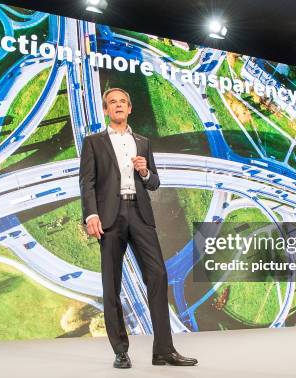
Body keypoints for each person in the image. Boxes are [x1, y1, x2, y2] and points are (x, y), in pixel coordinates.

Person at [79, 88, 198, 369]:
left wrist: (144, 171)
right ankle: (120, 351)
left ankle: (164, 351)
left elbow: (154, 182)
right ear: (107, 111)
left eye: (122, 102)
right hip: (109, 217)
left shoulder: (143, 143)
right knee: (112, 285)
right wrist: (90, 214)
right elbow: (87, 182)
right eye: (112, 103)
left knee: (157, 275)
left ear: (129, 109)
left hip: (140, 213)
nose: (118, 106)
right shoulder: (93, 142)